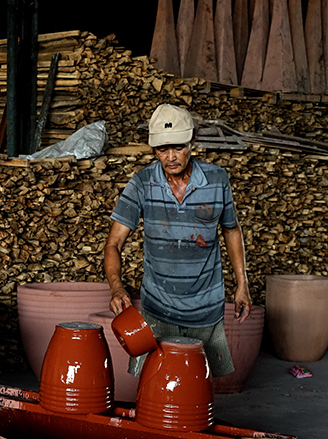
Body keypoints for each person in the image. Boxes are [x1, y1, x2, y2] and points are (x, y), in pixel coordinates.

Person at [103, 104, 251, 377]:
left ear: (193, 141)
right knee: (155, 386)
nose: (171, 157)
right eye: (162, 149)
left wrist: (242, 284)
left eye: (179, 147)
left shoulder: (217, 180)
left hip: (206, 309)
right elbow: (114, 244)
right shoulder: (142, 183)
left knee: (197, 387)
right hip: (157, 310)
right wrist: (116, 287)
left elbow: (231, 230)